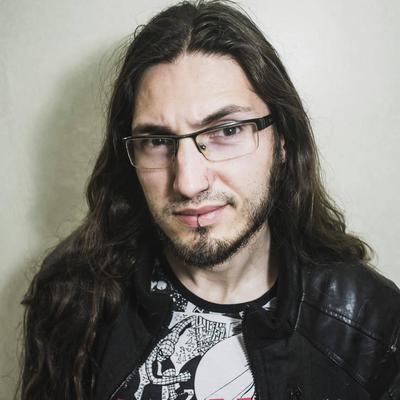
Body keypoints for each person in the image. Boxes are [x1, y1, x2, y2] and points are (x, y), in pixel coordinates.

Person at [21, 1, 400, 399]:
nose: (187, 183)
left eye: (227, 131)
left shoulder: (373, 323)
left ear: (283, 142)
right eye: (157, 141)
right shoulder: (74, 297)